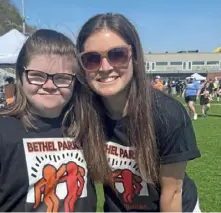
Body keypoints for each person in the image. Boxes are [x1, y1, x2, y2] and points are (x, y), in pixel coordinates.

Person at [0, 29, 109, 212]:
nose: (50, 86)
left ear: (75, 81)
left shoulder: (86, 125)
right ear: (21, 76)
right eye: (37, 76)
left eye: (62, 78)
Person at [76, 13, 201, 212]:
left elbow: (173, 194)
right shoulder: (84, 112)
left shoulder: (167, 114)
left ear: (134, 57)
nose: (105, 67)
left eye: (117, 54)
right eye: (92, 59)